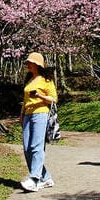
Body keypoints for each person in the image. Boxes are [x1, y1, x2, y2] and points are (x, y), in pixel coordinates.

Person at [19, 51, 57, 191]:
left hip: (41, 113)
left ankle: (34, 179)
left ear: (37, 64)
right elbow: (25, 100)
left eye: (30, 62)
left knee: (36, 146)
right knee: (27, 148)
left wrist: (40, 95)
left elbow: (53, 99)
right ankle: (46, 178)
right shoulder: (30, 80)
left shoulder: (46, 80)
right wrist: (22, 114)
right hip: (28, 114)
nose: (27, 65)